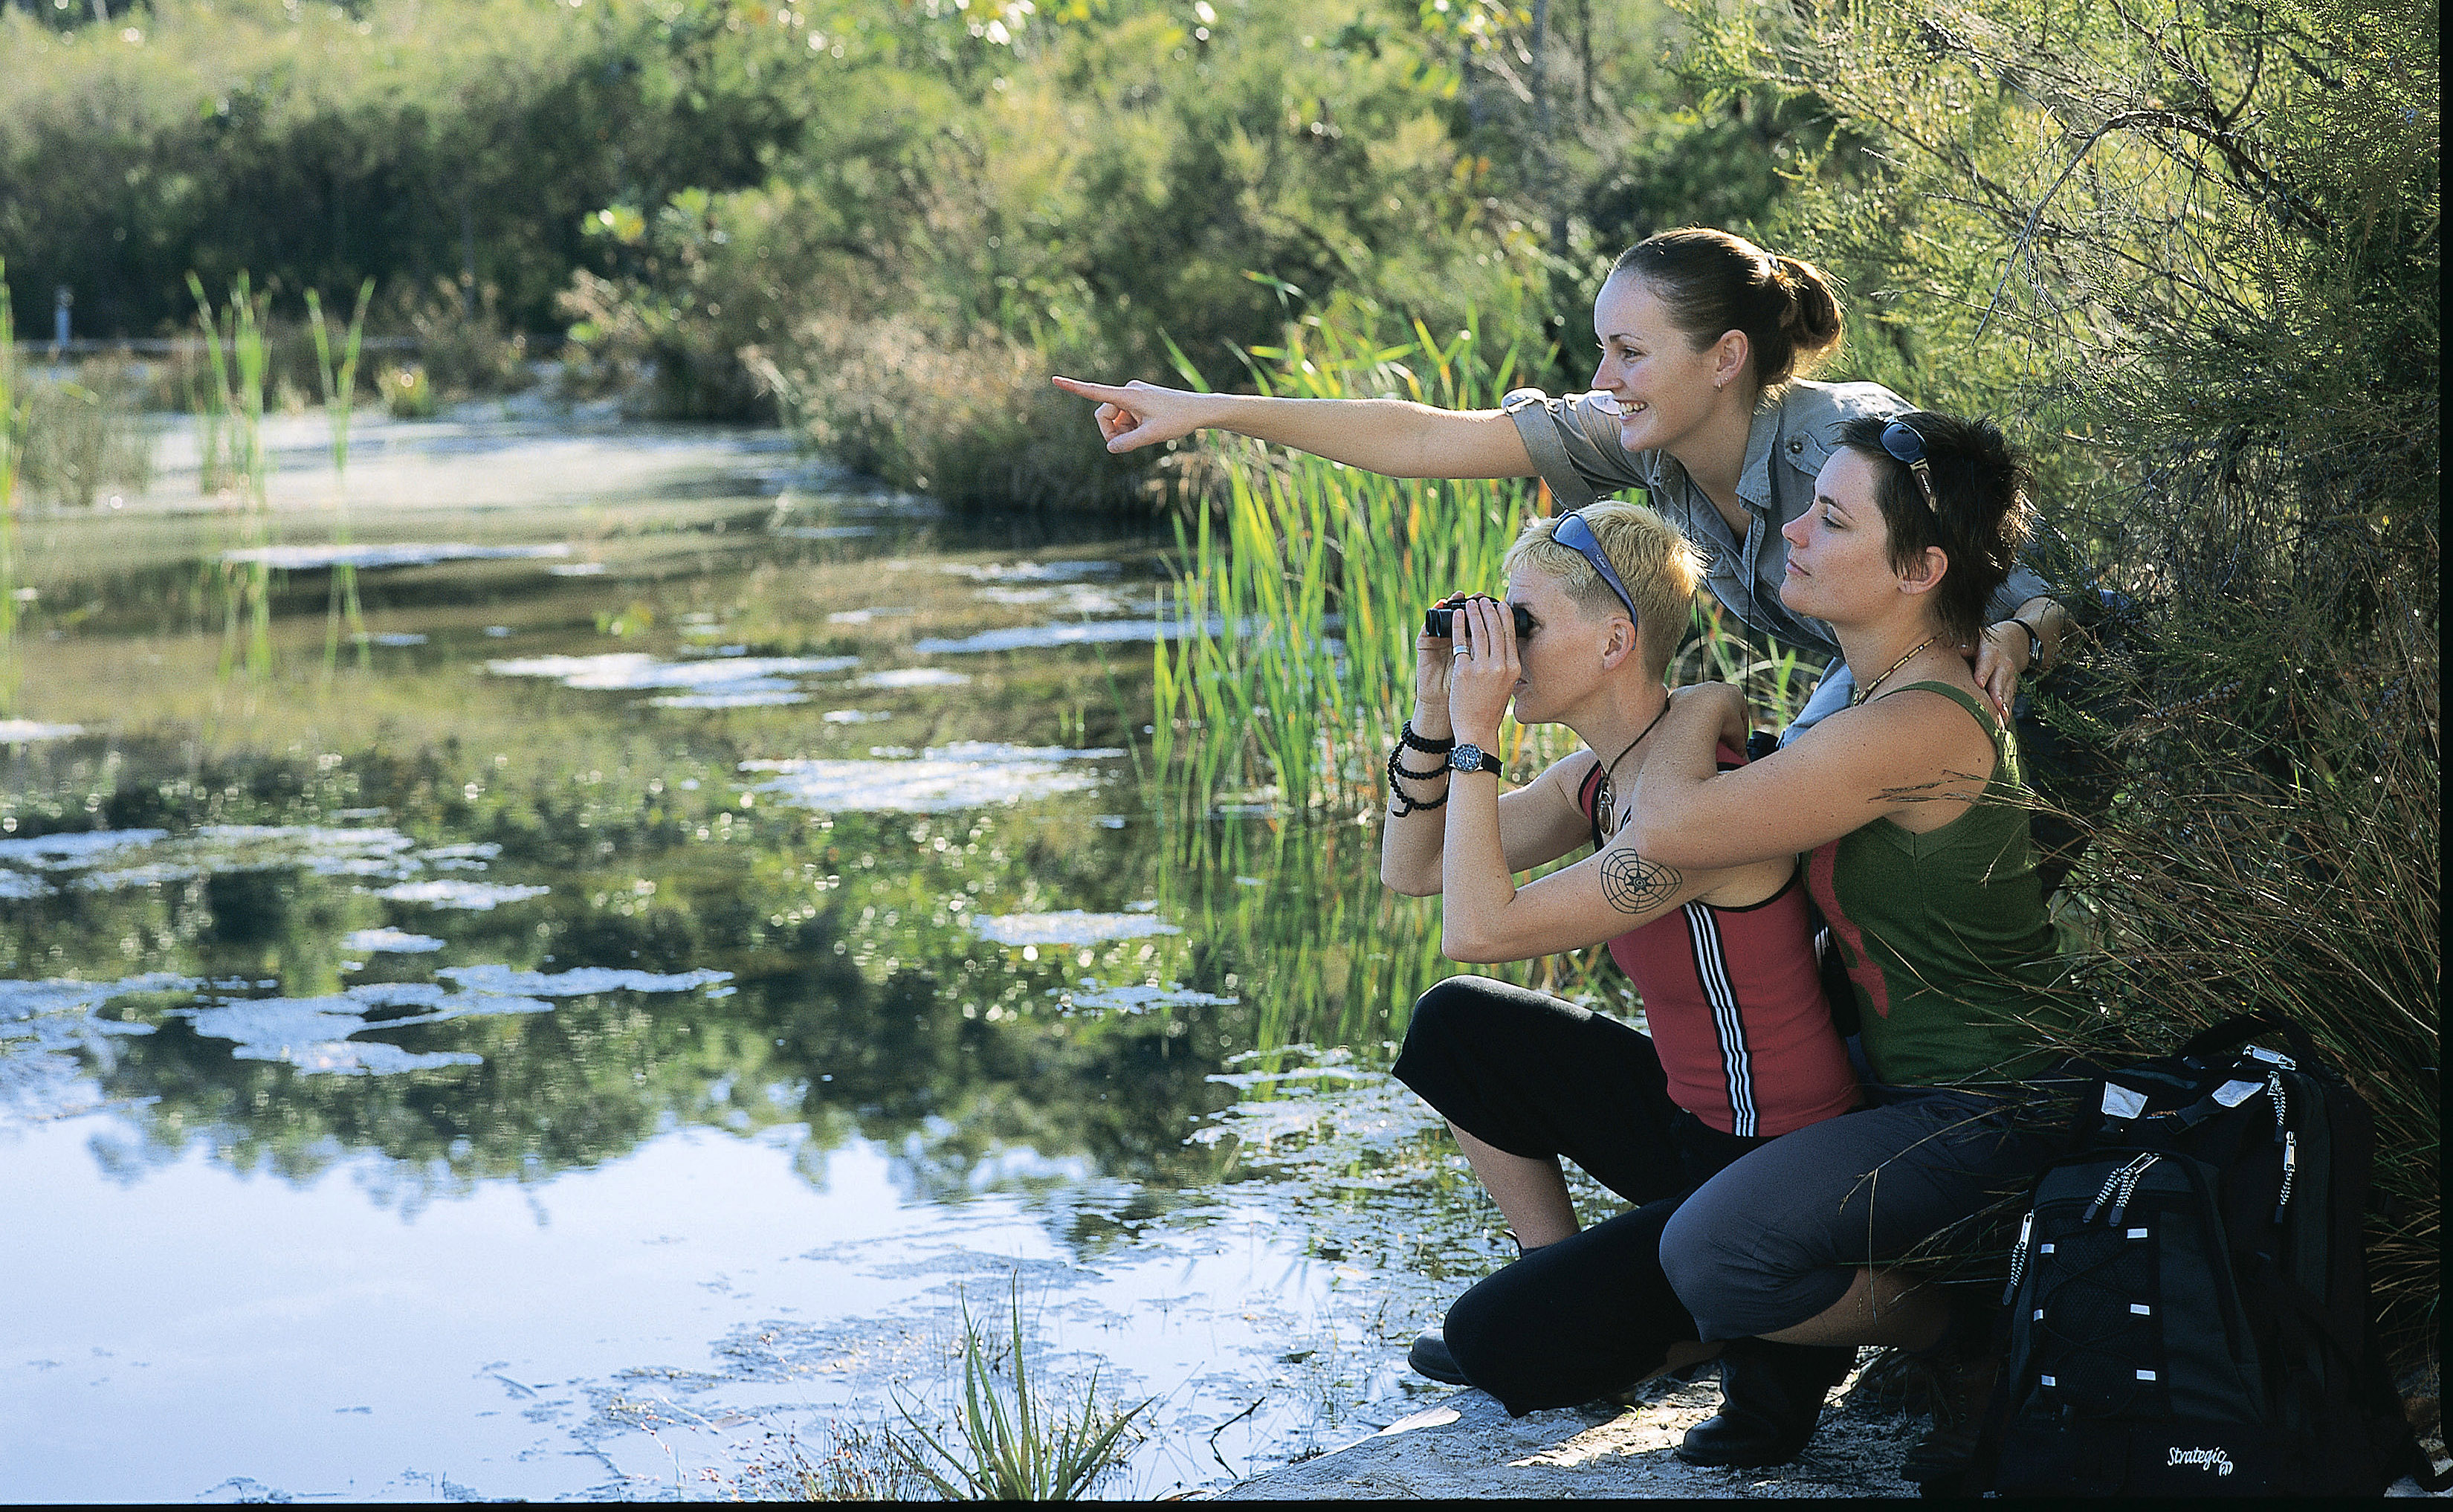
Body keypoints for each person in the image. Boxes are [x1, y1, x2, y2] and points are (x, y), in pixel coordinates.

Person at [1053, 226, 2075, 742]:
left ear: (1723, 359)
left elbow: (2044, 584)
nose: (1602, 380)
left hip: (2050, 710)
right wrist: (1211, 408)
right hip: (1891, 711)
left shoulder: (1847, 443)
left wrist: (2024, 634)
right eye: (1600, 350)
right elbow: (1421, 441)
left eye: (1629, 351)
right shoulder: (1640, 438)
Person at [1621, 408, 2087, 1489]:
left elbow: (1673, 831)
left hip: (1989, 1099)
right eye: (1808, 504)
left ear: (1922, 567)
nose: (1791, 529)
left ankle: (1962, 1336)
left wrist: (1703, 701)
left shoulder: (1915, 720)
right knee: (1683, 1216)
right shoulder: (1870, 692)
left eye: (1831, 519)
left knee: (1712, 1256)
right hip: (1899, 1086)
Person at [1377, 500, 1862, 1467]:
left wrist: (1480, 729)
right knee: (1453, 1029)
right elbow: (1414, 866)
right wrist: (1438, 708)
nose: (1499, 650)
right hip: (1692, 1127)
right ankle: (1562, 1277)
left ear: (1614, 639)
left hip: (1773, 1172)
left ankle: (1737, 1321)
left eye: (1523, 623)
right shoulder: (1602, 777)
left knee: (1493, 1343)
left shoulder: (1690, 812)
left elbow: (1475, 927)